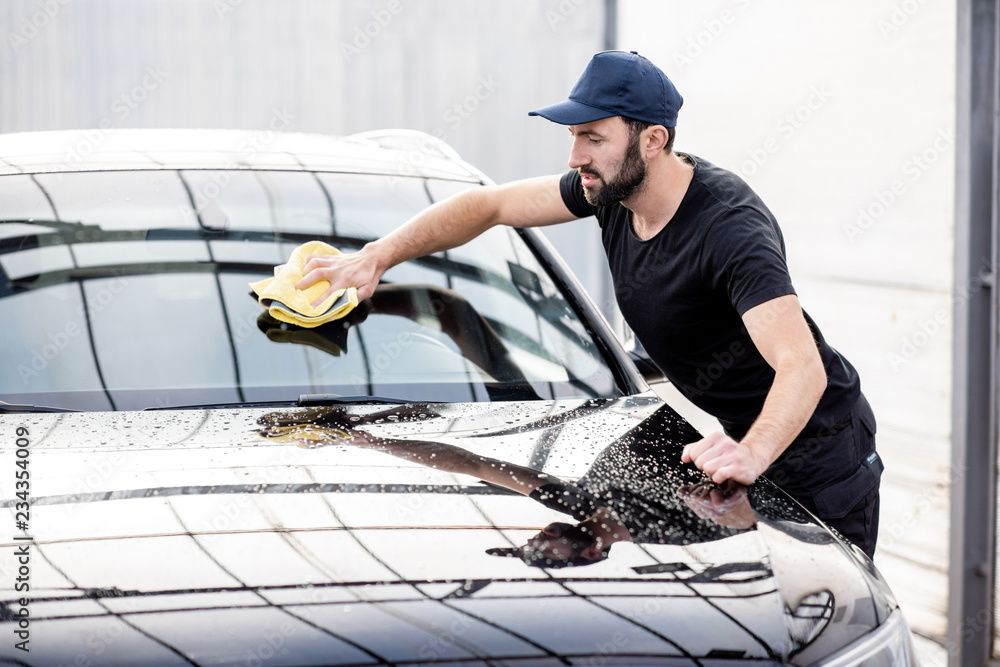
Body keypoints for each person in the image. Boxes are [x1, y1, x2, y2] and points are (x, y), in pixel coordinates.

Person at [295, 50, 883, 558]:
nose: (576, 155)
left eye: (593, 137)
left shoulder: (730, 230)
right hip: (742, 446)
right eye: (573, 136)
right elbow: (489, 207)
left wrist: (754, 450)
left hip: (821, 456)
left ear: (653, 140)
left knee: (808, 618)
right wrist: (377, 256)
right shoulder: (610, 189)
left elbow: (800, 367)